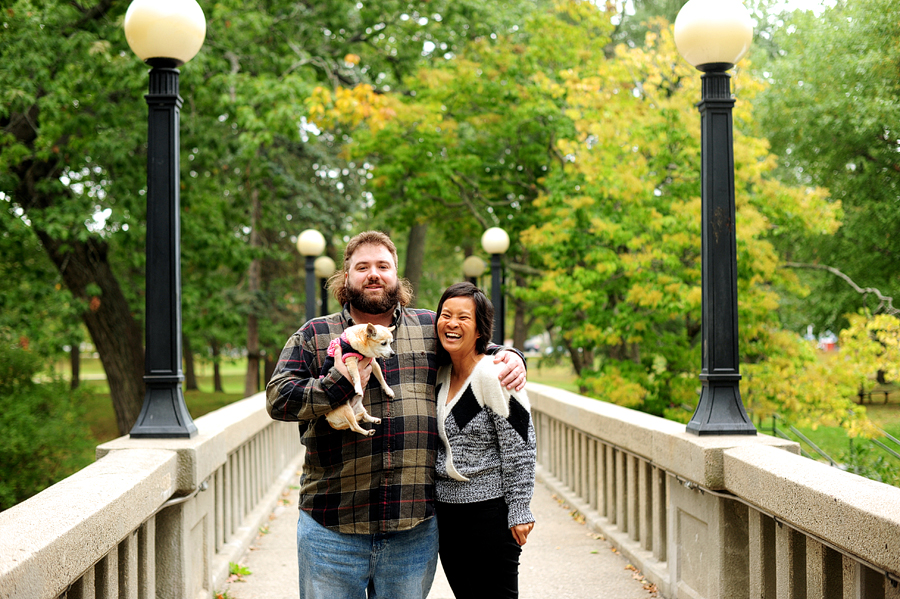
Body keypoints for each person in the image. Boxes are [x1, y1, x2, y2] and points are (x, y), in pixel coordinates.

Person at [266, 231, 527, 599]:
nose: (373, 274)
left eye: (383, 266)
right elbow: (278, 399)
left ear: (396, 276)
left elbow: (473, 345)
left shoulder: (427, 328)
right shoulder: (316, 335)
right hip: (332, 528)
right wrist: (339, 384)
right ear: (346, 277)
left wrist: (513, 356)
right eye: (362, 267)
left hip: (412, 531)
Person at [433, 281, 536, 599]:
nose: (452, 323)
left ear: (480, 329)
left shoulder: (496, 374)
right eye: (446, 314)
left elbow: (520, 444)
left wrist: (520, 508)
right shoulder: (439, 375)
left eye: (463, 317)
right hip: (447, 516)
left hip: (489, 514)